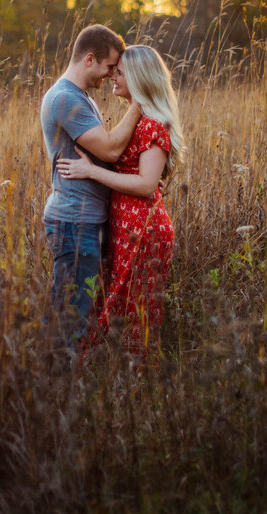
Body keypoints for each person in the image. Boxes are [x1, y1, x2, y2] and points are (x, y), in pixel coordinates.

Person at [56, 44, 183, 361]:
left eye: (120, 72)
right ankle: (115, 376)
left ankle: (136, 383)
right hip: (127, 228)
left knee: (133, 309)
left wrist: (91, 171)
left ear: (139, 80)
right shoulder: (138, 122)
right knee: (120, 302)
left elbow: (145, 184)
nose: (112, 76)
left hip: (144, 231)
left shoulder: (153, 125)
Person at [40, 24, 141, 351]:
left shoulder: (79, 97)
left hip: (84, 220)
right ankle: (59, 386)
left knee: (78, 307)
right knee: (72, 313)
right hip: (74, 222)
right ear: (89, 59)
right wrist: (140, 103)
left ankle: (61, 376)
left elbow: (106, 154)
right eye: (110, 66)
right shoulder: (66, 100)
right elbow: (110, 149)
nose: (112, 75)